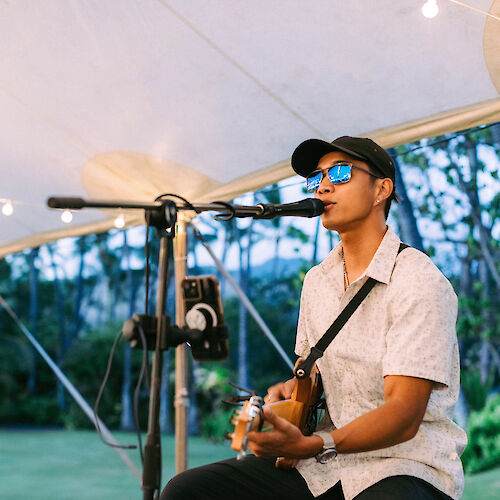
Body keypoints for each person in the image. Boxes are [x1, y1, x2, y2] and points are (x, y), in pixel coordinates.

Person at [161, 136, 467, 500]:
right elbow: (314, 378)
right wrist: (289, 394)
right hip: (323, 467)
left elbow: (403, 413)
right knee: (187, 491)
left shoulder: (419, 280)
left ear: (381, 189)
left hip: (404, 465)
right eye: (316, 177)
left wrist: (316, 443)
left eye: (340, 173)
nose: (323, 185)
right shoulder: (317, 280)